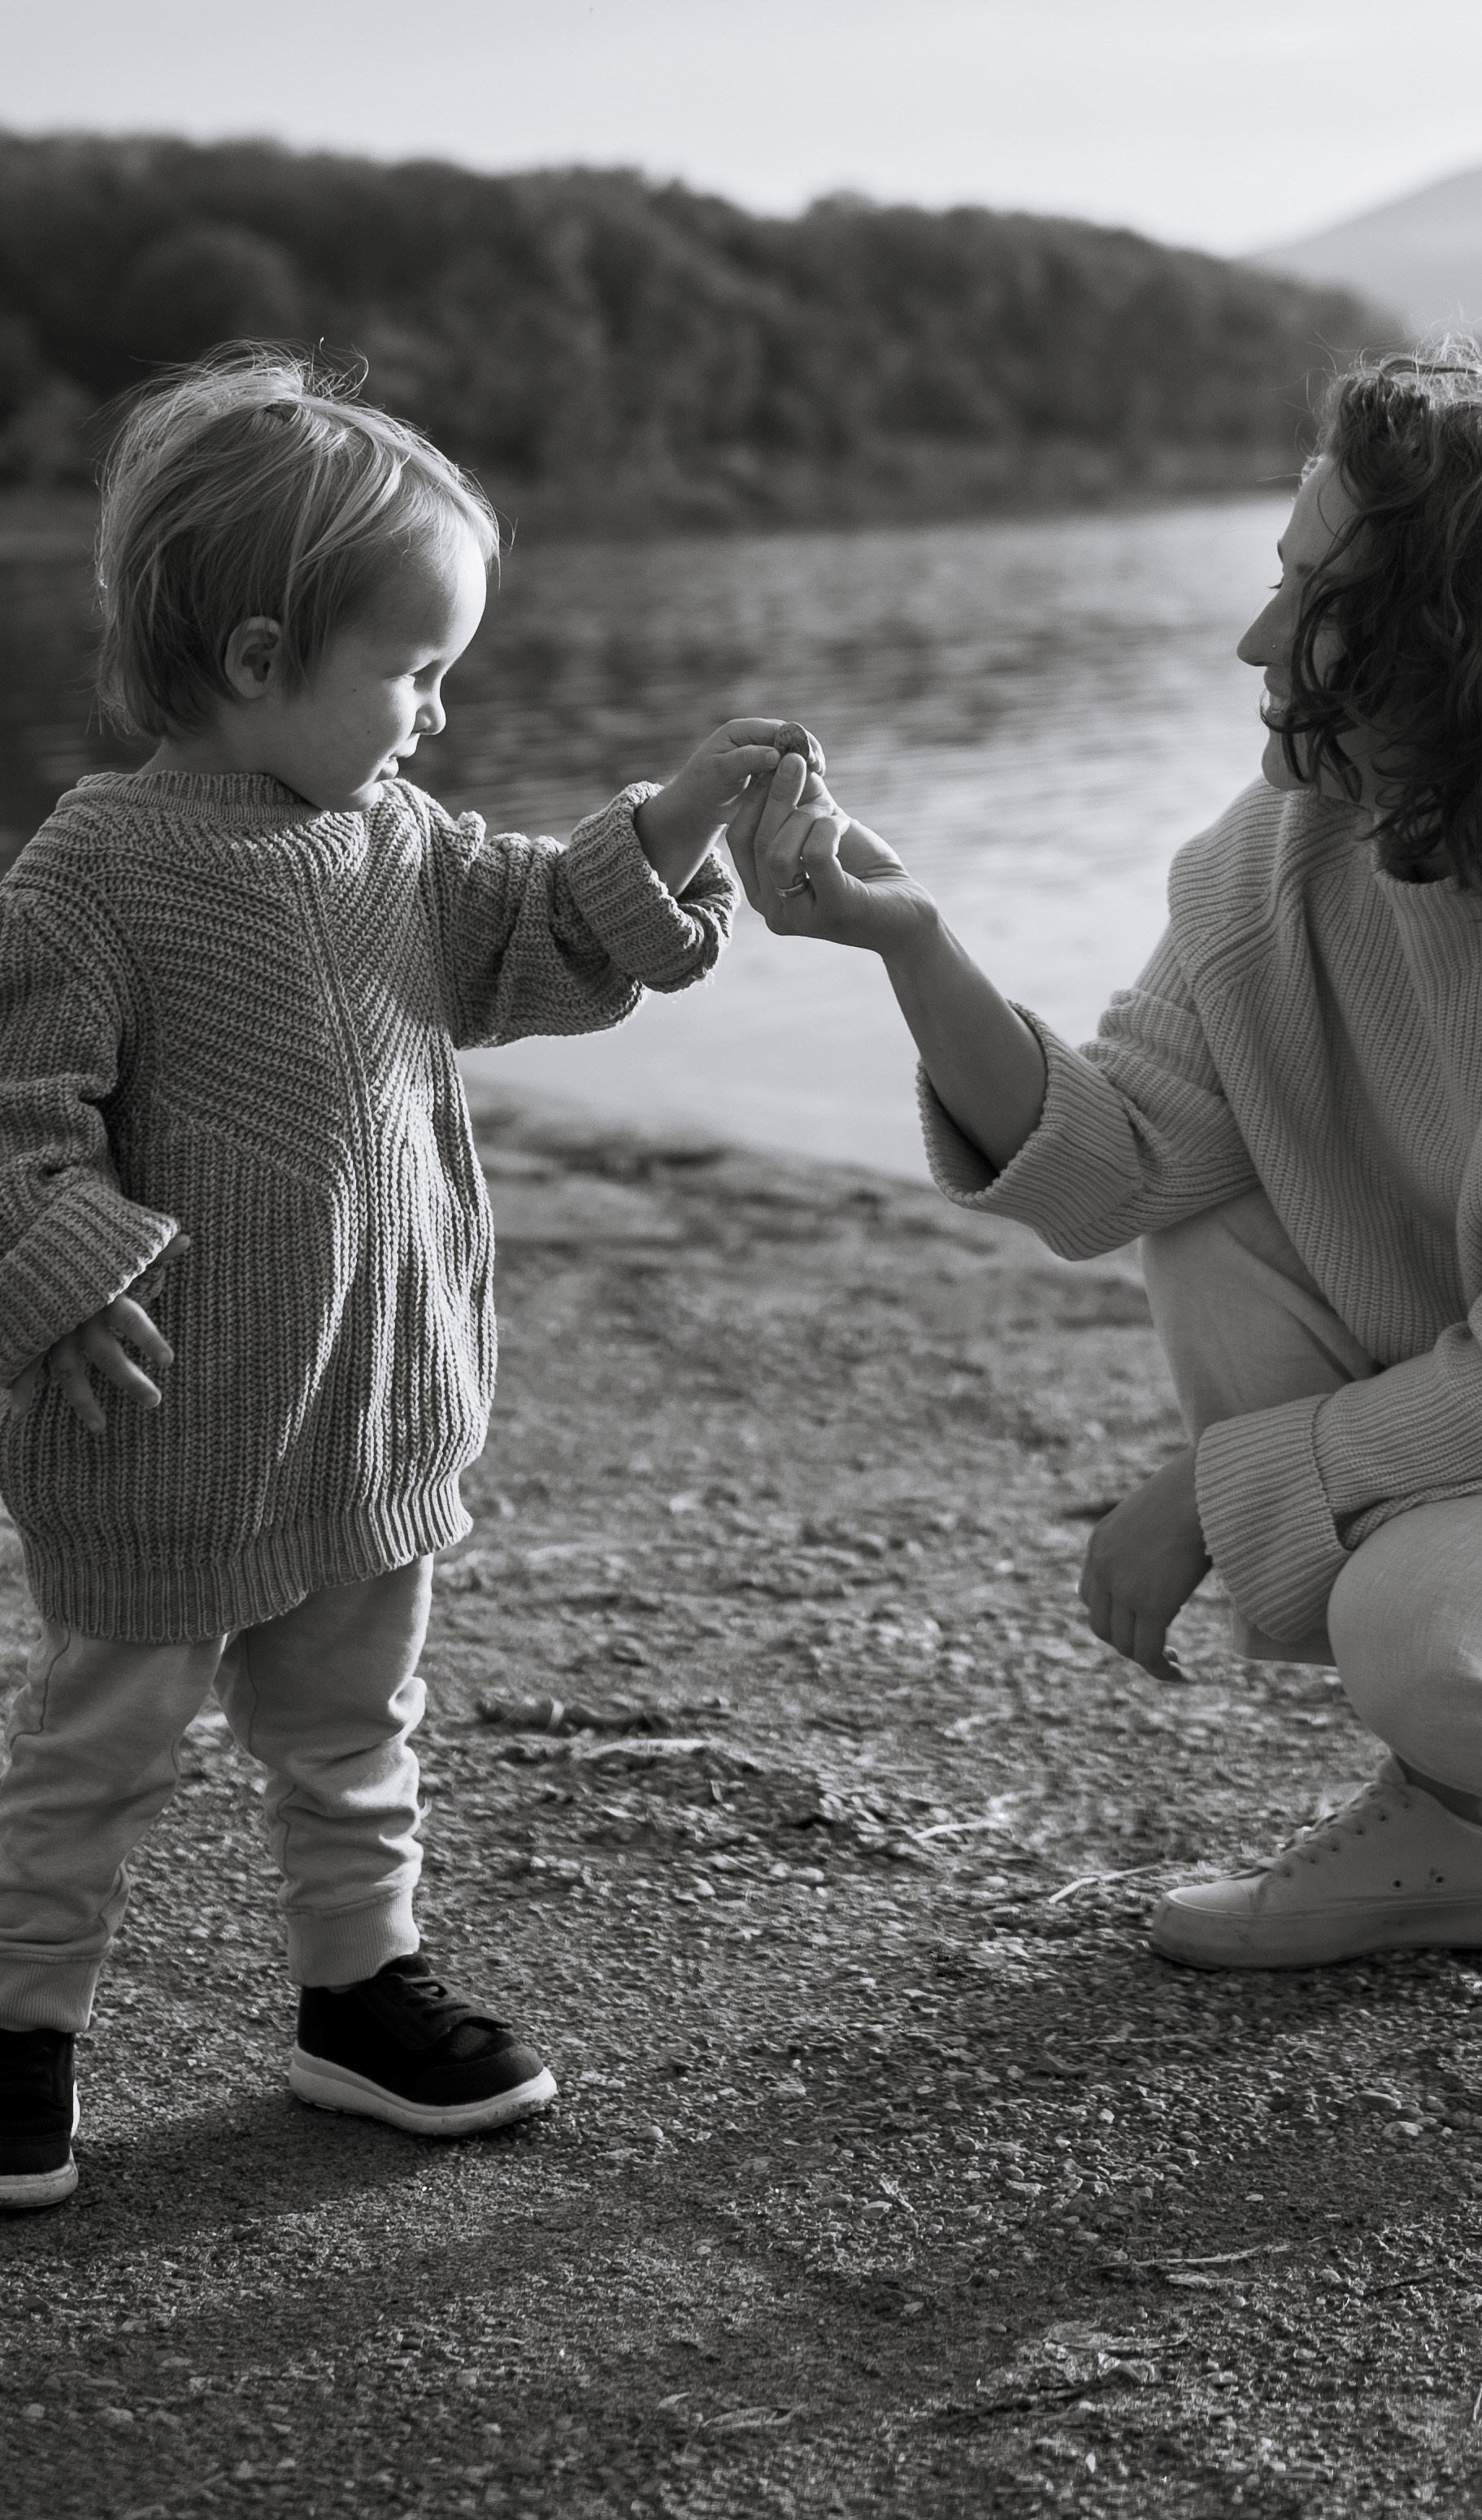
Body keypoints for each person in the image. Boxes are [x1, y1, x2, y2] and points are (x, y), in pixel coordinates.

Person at [731, 350, 1482, 1975]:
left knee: (1424, 1633)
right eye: (1278, 576)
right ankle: (1467, 1837)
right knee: (1213, 1212)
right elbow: (1113, 1167)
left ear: (1447, 638)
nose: (1256, 637)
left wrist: (1216, 1492)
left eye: (1313, 593)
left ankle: (1467, 1770)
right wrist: (913, 944)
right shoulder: (1280, 848)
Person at [0, 348, 786, 2209]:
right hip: (172, 1416)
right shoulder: (90, 875)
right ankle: (23, 2027)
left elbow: (529, 930)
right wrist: (57, 1260)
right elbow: (21, 1107)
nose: (436, 713)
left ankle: (357, 1994)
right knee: (97, 1744)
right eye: (414, 670)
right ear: (260, 660)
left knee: (358, 1729)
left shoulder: (400, 844)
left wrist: (667, 825)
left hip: (364, 1398)